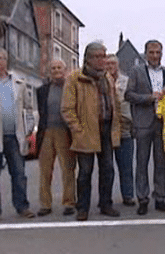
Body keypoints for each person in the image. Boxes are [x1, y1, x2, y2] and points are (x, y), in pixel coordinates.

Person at [62, 42, 121, 221]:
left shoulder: (107, 78)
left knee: (108, 170)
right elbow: (67, 109)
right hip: (86, 131)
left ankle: (105, 204)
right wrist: (77, 129)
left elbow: (114, 104)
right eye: (98, 56)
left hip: (106, 130)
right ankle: (83, 208)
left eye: (104, 56)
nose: (102, 60)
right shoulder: (75, 78)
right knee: (85, 172)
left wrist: (117, 126)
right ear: (88, 59)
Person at [125, 40, 165, 216]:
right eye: (152, 52)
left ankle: (160, 197)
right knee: (142, 162)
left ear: (162, 54)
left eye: (158, 52)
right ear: (145, 54)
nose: (155, 56)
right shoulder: (136, 71)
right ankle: (143, 198)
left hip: (163, 123)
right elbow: (128, 95)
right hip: (143, 122)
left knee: (161, 162)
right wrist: (149, 97)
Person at [36, 59, 76, 217]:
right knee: (45, 170)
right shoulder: (42, 90)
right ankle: (45, 204)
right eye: (53, 68)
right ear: (49, 71)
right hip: (46, 132)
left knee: (68, 169)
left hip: (64, 131)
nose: (56, 70)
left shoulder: (70, 88)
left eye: (59, 67)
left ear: (65, 70)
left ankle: (69, 202)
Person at [0, 48, 35, 218]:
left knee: (19, 173)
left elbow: (28, 109)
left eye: (2, 58)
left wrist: (28, 130)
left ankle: (22, 206)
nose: (0, 61)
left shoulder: (18, 82)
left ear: (6, 60)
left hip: (15, 136)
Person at [106, 54, 135, 207]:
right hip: (107, 127)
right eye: (107, 64)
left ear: (117, 65)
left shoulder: (126, 81)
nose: (110, 66)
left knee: (126, 165)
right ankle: (106, 198)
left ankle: (128, 195)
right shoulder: (101, 82)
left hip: (125, 126)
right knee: (107, 167)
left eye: (113, 63)